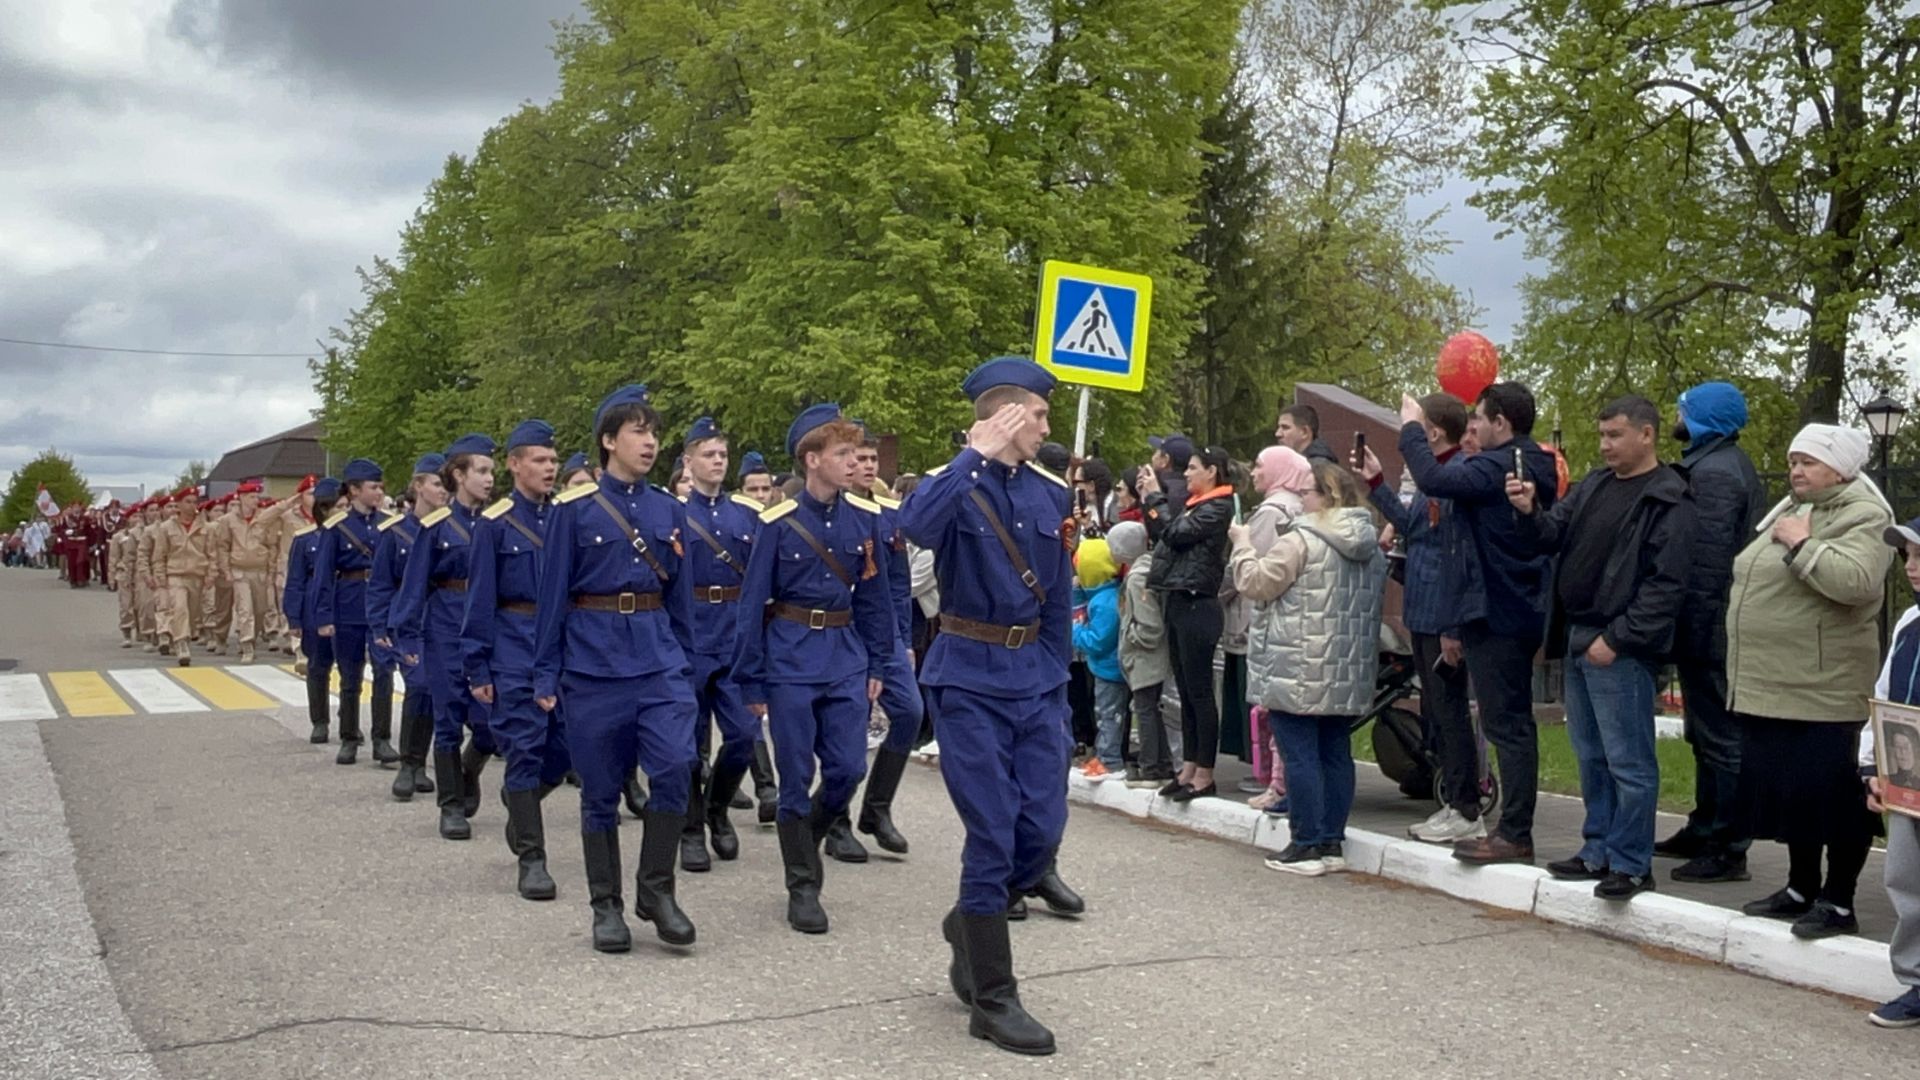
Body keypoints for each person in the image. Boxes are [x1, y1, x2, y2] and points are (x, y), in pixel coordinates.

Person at [900, 357, 1073, 1056]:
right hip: (967, 677)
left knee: (1043, 829)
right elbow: (914, 525)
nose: (1045, 427)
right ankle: (993, 999)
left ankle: (967, 921)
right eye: (1036, 415)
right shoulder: (956, 486)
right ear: (1004, 415)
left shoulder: (1050, 495)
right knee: (994, 831)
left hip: (1034, 676)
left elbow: (1057, 593)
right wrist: (973, 453)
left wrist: (1057, 674)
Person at [532, 385, 700, 954]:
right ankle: (606, 906)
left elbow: (681, 596)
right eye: (637, 431)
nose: (650, 441)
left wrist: (687, 662)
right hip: (593, 665)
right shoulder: (572, 512)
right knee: (600, 791)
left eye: (654, 432)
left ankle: (656, 890)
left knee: (676, 765)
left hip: (657, 659)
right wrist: (544, 673)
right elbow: (552, 595)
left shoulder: (668, 509)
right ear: (609, 442)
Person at [1507, 396, 1694, 901]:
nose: (1606, 444)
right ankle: (1598, 850)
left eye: (1615, 435)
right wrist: (1529, 510)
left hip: (1619, 645)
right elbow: (1550, 533)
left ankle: (1632, 862)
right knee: (1590, 754)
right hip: (1577, 634)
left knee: (1628, 760)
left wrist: (1619, 639)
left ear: (1647, 434)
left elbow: (1665, 586)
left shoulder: (1667, 497)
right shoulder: (1594, 485)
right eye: (1603, 435)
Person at [1727, 423, 1892, 939]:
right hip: (1774, 685)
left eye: (1810, 462)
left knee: (1834, 800)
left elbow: (1858, 582)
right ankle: (1801, 886)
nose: (1797, 470)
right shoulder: (1798, 508)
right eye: (1794, 460)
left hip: (1826, 688)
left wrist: (1803, 546)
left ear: (1840, 468)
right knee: (1791, 796)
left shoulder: (1866, 514)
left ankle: (1839, 899)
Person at [734, 404, 894, 934]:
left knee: (848, 768)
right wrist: (751, 677)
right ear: (811, 460)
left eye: (855, 453)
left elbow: (875, 600)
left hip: (845, 655)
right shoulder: (778, 524)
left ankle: (809, 839)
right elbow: (753, 602)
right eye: (842, 453)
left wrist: (878, 661)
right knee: (796, 778)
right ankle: (802, 884)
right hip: (791, 658)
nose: (853, 462)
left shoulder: (866, 519)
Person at [1399, 383, 1559, 865]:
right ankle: (1511, 828)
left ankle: (1514, 832)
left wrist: (1411, 427)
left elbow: (1433, 478)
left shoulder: (1501, 465)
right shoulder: (1521, 463)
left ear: (1502, 424)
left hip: (1499, 610)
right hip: (1502, 606)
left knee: (1507, 724)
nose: (1473, 430)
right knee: (1505, 721)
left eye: (1479, 421)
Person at [1230, 461, 1387, 876]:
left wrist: (1242, 544)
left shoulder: (1301, 540)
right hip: (1345, 669)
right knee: (1335, 752)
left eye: (1307, 493)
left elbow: (1255, 584)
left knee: (1299, 754)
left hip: (1296, 663)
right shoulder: (1370, 546)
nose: (1300, 500)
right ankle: (1332, 840)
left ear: (1327, 497)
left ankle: (1306, 843)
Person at [1657, 382, 1768, 884]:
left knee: (1722, 737)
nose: (1675, 415)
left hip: (1711, 624)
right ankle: (1705, 825)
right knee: (1703, 733)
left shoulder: (1718, 473)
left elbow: (1707, 561)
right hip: (1709, 621)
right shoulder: (1716, 463)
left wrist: (1691, 628)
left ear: (1702, 418)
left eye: (1683, 409)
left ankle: (1728, 843)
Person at [1362, 395, 1481, 837]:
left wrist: (1453, 627)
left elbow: (1459, 560)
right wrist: (1375, 482)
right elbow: (1412, 526)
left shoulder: (1454, 476)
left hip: (1443, 616)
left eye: (1414, 426)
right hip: (1424, 610)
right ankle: (1455, 799)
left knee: (1450, 714)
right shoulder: (1436, 480)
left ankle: (1466, 805)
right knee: (1438, 713)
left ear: (1431, 432)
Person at [462, 420, 569, 900]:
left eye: (553, 461)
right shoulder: (495, 524)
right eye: (540, 461)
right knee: (524, 748)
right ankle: (533, 858)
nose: (549, 469)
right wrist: (478, 666)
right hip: (515, 645)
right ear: (514, 464)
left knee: (568, 749)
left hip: (567, 647)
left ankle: (520, 800)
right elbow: (479, 599)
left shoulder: (567, 516)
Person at [392, 437, 500, 839]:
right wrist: (406, 640)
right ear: (458, 475)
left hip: (487, 633)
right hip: (445, 632)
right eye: (482, 471)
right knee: (449, 721)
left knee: (492, 724)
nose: (490, 479)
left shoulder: (497, 522)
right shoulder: (437, 527)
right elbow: (415, 585)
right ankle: (451, 805)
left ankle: (468, 769)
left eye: (492, 471)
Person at [831, 422, 926, 861]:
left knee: (909, 712)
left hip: (885, 636)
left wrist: (904, 638)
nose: (867, 466)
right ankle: (836, 820)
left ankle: (877, 808)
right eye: (859, 458)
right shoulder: (831, 512)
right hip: (844, 635)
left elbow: (898, 585)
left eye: (872, 459)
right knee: (849, 730)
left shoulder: (888, 516)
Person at [671, 417, 761, 873]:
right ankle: (690, 830)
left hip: (732, 637)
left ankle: (717, 808)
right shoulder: (672, 515)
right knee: (687, 745)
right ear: (688, 463)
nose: (718, 462)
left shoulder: (744, 515)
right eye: (709, 455)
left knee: (744, 736)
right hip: (687, 636)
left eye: (723, 455)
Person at [1137, 443, 1235, 801]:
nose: (1188, 473)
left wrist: (1153, 499)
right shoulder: (1194, 506)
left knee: (1199, 692)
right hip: (1177, 598)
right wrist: (1155, 506)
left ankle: (1205, 773)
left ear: (1212, 472)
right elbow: (1164, 535)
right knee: (1185, 689)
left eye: (1194, 468)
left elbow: (1175, 535)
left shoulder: (1218, 507)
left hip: (1198, 604)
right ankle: (1189, 766)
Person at [1866, 517, 1920, 1026]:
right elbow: (1884, 698)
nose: (1912, 568)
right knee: (1905, 879)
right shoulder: (1909, 624)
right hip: (1908, 782)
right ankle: (1916, 982)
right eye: (1907, 557)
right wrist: (1874, 766)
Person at [1240, 446, 1312, 807]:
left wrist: (1239, 548)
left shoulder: (1272, 513)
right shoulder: (1301, 508)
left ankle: (1279, 787)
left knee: (1276, 707)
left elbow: (1258, 576)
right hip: (1297, 624)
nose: (1253, 472)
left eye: (1259, 465)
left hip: (1274, 621)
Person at [372, 455, 445, 801]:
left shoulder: (452, 527)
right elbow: (382, 584)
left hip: (444, 623)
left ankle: (421, 763)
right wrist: (380, 625)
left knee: (434, 692)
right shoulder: (397, 532)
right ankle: (408, 763)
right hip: (411, 625)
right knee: (419, 686)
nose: (442, 490)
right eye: (436, 483)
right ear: (418, 486)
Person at [312, 459, 390, 766]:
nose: (379, 493)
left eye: (381, 487)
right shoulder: (336, 527)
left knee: (384, 672)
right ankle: (348, 737)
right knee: (350, 677)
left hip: (381, 610)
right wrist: (323, 616)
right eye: (373, 487)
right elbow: (323, 575)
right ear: (355, 491)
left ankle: (382, 739)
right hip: (348, 607)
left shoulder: (388, 524)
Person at [1104, 522, 1175, 790]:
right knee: (1150, 709)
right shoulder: (1148, 568)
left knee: (1145, 710)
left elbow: (1149, 627)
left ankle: (1151, 767)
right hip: (1149, 657)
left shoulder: (1136, 579)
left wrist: (1131, 634)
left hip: (1146, 657)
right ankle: (1162, 762)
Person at [733, 449, 783, 822]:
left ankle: (767, 787)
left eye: (765, 487)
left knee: (760, 713)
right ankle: (756, 785)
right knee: (741, 711)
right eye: (753, 488)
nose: (760, 494)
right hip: (734, 622)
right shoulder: (735, 521)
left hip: (776, 624)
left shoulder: (783, 522)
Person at [284, 479, 342, 735]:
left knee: (351, 668)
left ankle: (349, 719)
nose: (344, 511)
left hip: (346, 605)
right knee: (318, 665)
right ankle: (320, 721)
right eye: (338, 507)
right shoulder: (305, 539)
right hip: (313, 608)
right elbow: (295, 581)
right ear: (324, 510)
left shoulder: (356, 536)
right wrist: (294, 618)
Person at [1070, 538, 1126, 779]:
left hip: (1109, 668)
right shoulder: (1101, 595)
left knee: (1109, 715)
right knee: (1103, 713)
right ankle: (1103, 755)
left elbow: (1097, 641)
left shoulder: (1105, 603)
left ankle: (1110, 760)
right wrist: (1075, 592)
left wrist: (1074, 631)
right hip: (1104, 668)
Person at [150, 489, 216, 667]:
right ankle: (182, 644)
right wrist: (160, 576)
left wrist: (211, 574)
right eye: (187, 501)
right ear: (178, 504)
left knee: (193, 613)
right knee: (180, 609)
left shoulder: (205, 527)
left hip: (197, 574)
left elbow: (212, 553)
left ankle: (176, 635)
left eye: (194, 501)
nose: (191, 505)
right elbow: (159, 555)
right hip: (175, 575)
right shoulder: (166, 528)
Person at [1148, 434, 1191, 508]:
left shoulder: (1158, 489)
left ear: (1165, 460)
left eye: (1156, 452)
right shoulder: (1190, 489)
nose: (1153, 457)